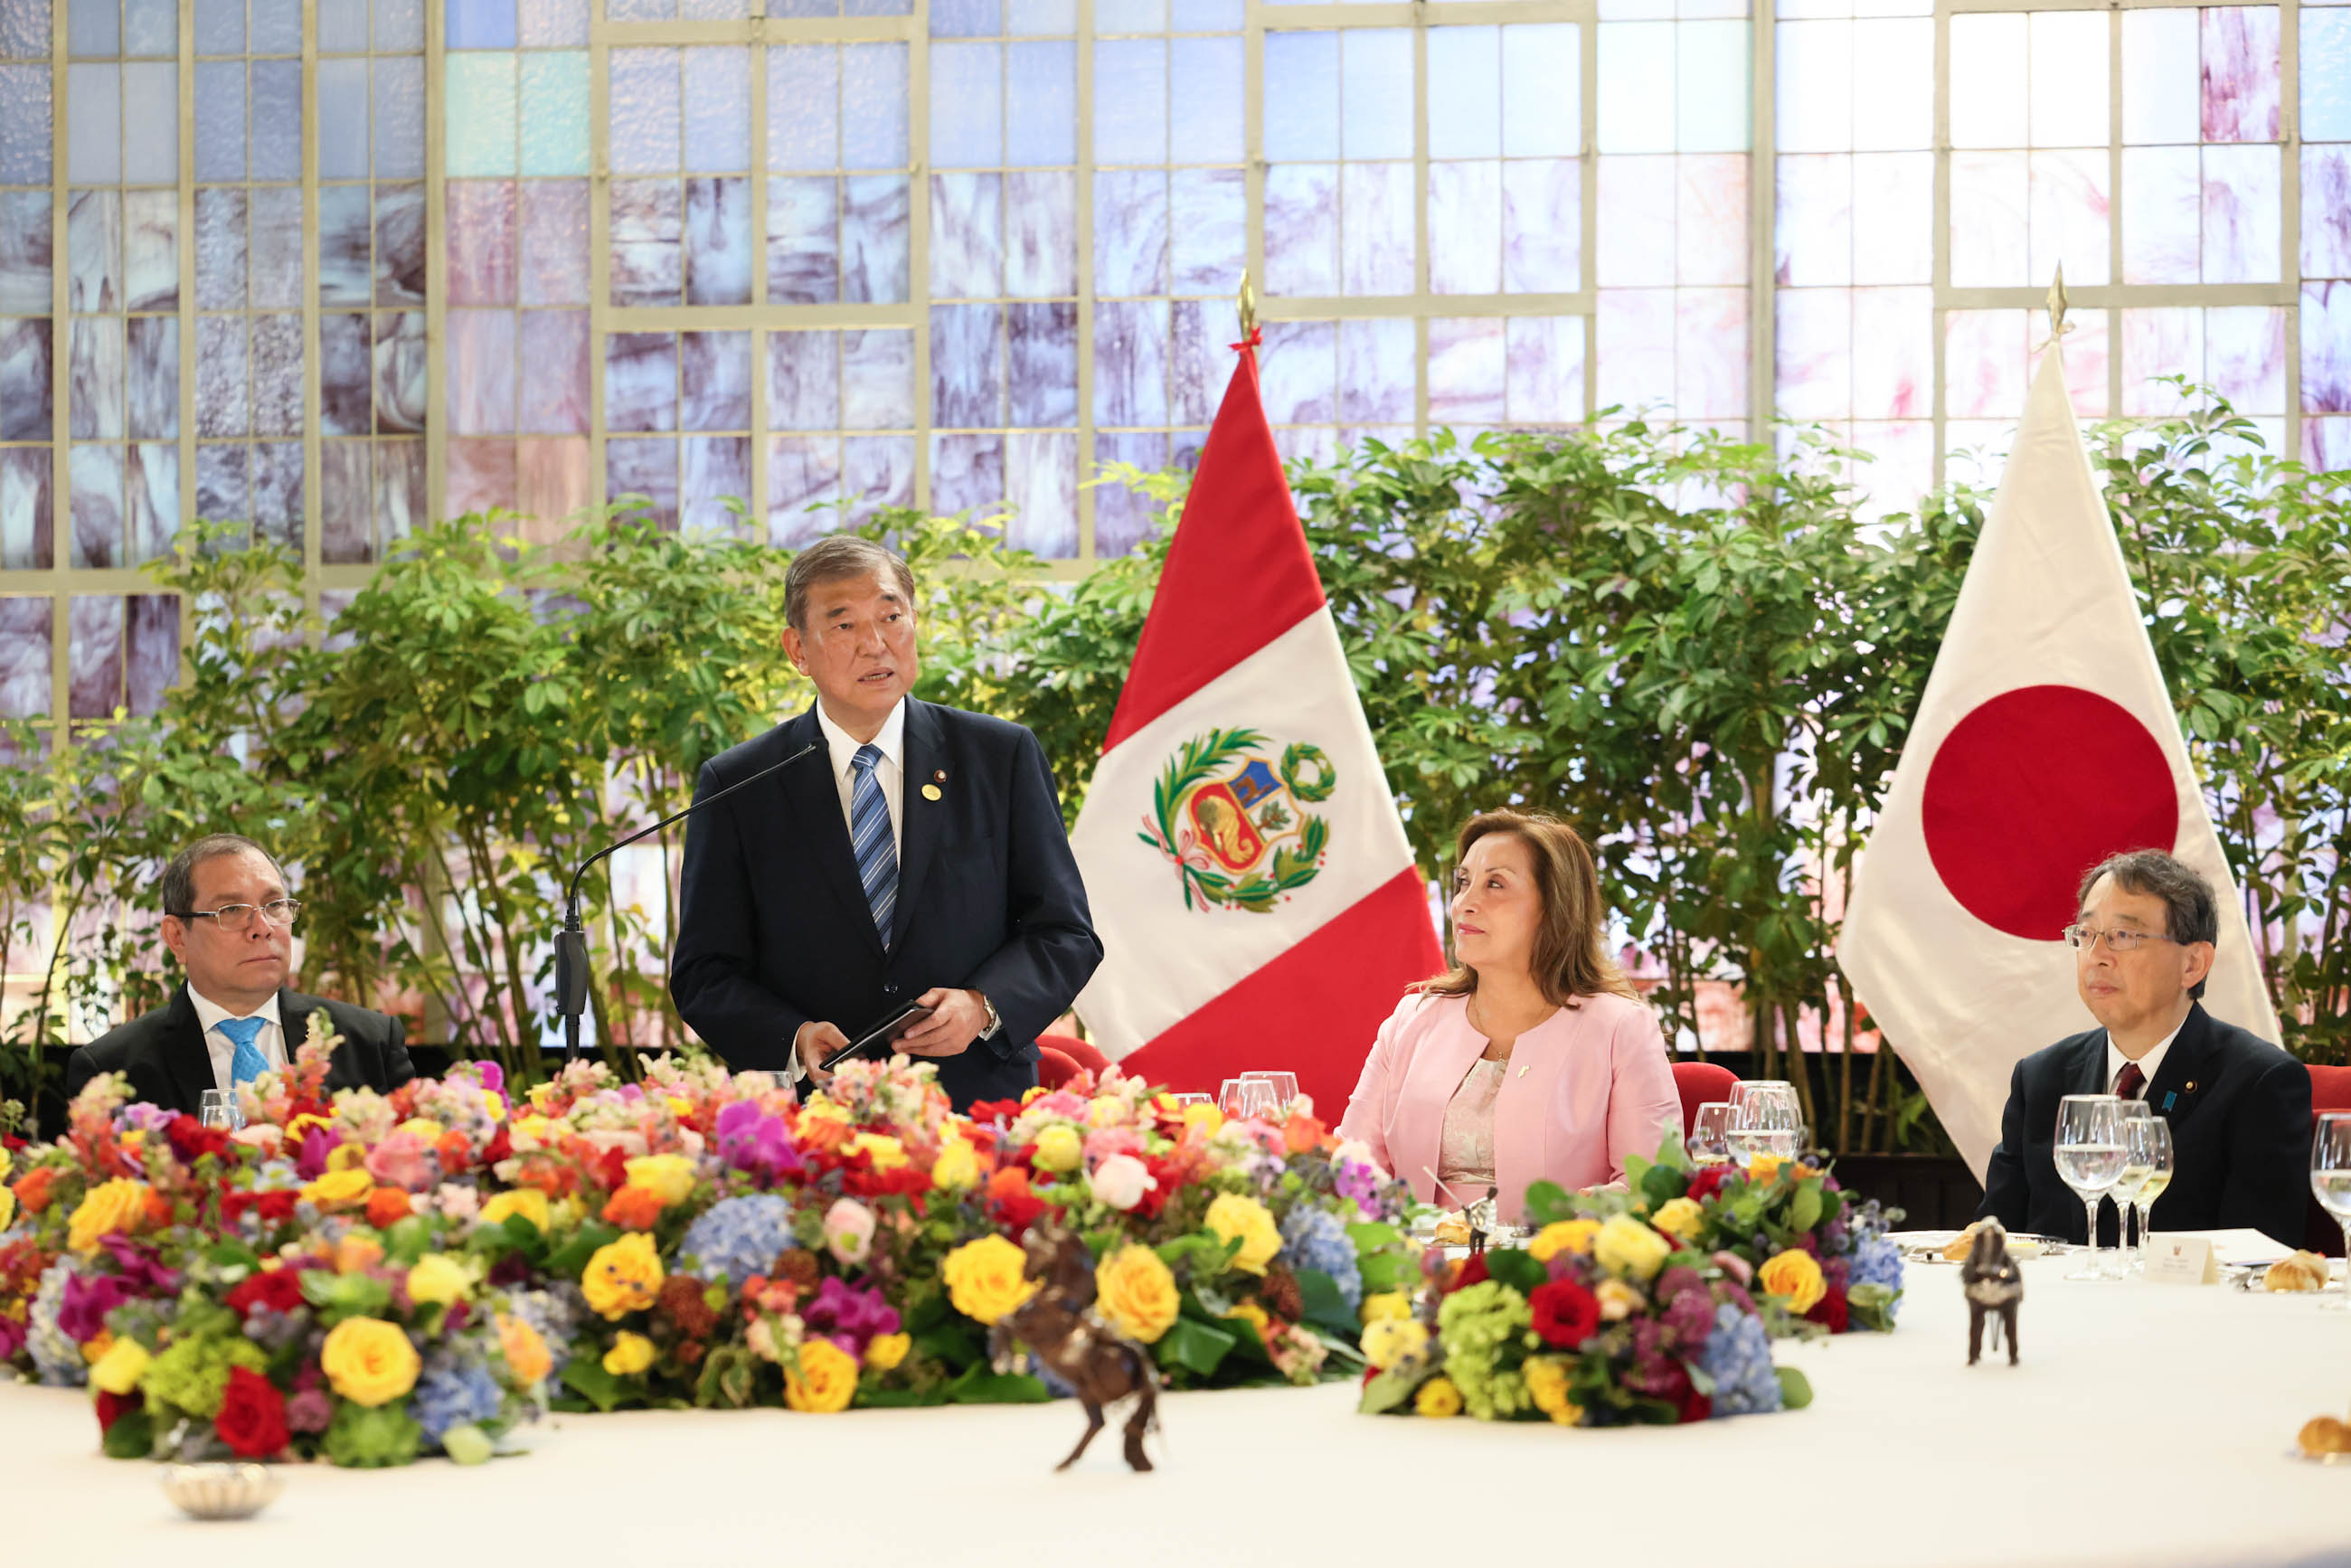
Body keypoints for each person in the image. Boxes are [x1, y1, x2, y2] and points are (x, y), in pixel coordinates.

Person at [670, 534, 1101, 1111]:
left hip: (975, 1107)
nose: (875, 645)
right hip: (816, 1117)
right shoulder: (741, 784)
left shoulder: (999, 757)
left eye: (891, 617)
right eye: (844, 625)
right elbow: (705, 972)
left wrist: (983, 1005)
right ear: (797, 650)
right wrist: (792, 1039)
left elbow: (1065, 933)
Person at [1336, 809, 1682, 1223]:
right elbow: (1352, 1168)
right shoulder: (1412, 1020)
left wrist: (1575, 1222)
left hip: (1551, 1267)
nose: (1464, 903)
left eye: (1495, 884)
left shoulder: (1620, 1029)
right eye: (1463, 882)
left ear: (1553, 909)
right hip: (1411, 1267)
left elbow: (1656, 1184)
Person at [1977, 849, 2311, 1247]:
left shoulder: (2260, 1083)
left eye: (2123, 936)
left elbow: (2257, 1259)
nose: (2097, 957)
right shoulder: (2041, 1078)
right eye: (2085, 935)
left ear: (2193, 964)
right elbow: (1990, 1243)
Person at [64, 835, 416, 1114]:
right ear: (177, 936)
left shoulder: (370, 1043)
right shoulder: (110, 1071)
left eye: (275, 905)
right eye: (231, 910)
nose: (262, 928)